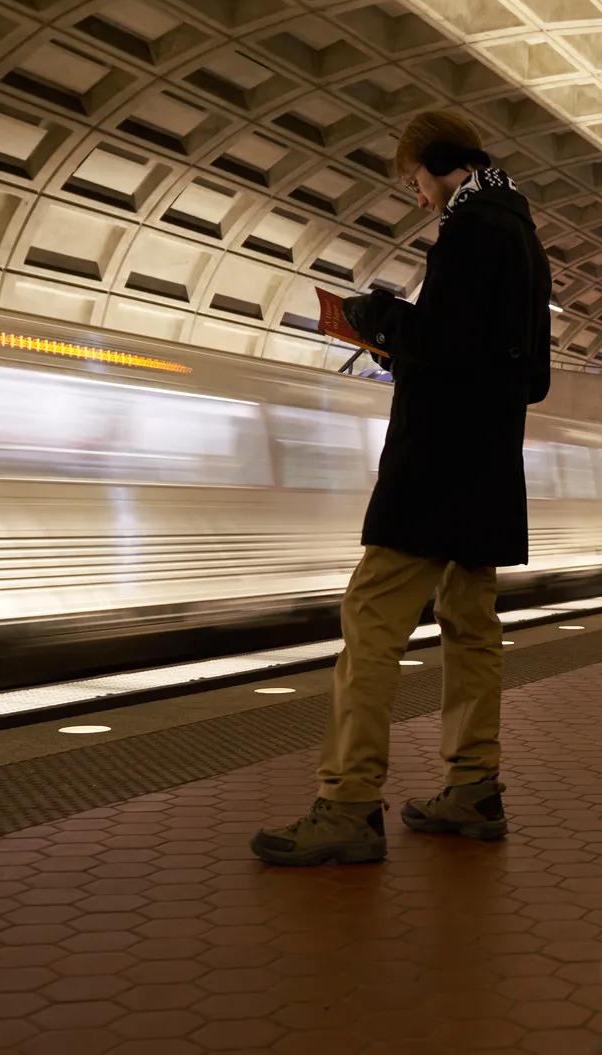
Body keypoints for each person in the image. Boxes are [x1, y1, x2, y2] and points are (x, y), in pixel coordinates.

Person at [250, 109, 552, 866]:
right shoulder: (523, 231)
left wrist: (376, 317)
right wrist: (412, 347)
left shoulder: (470, 226)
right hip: (490, 466)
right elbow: (529, 375)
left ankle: (349, 800)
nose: (418, 196)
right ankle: (473, 787)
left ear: (441, 161)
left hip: (434, 467)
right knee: (470, 625)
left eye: (417, 180)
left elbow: (443, 344)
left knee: (370, 618)